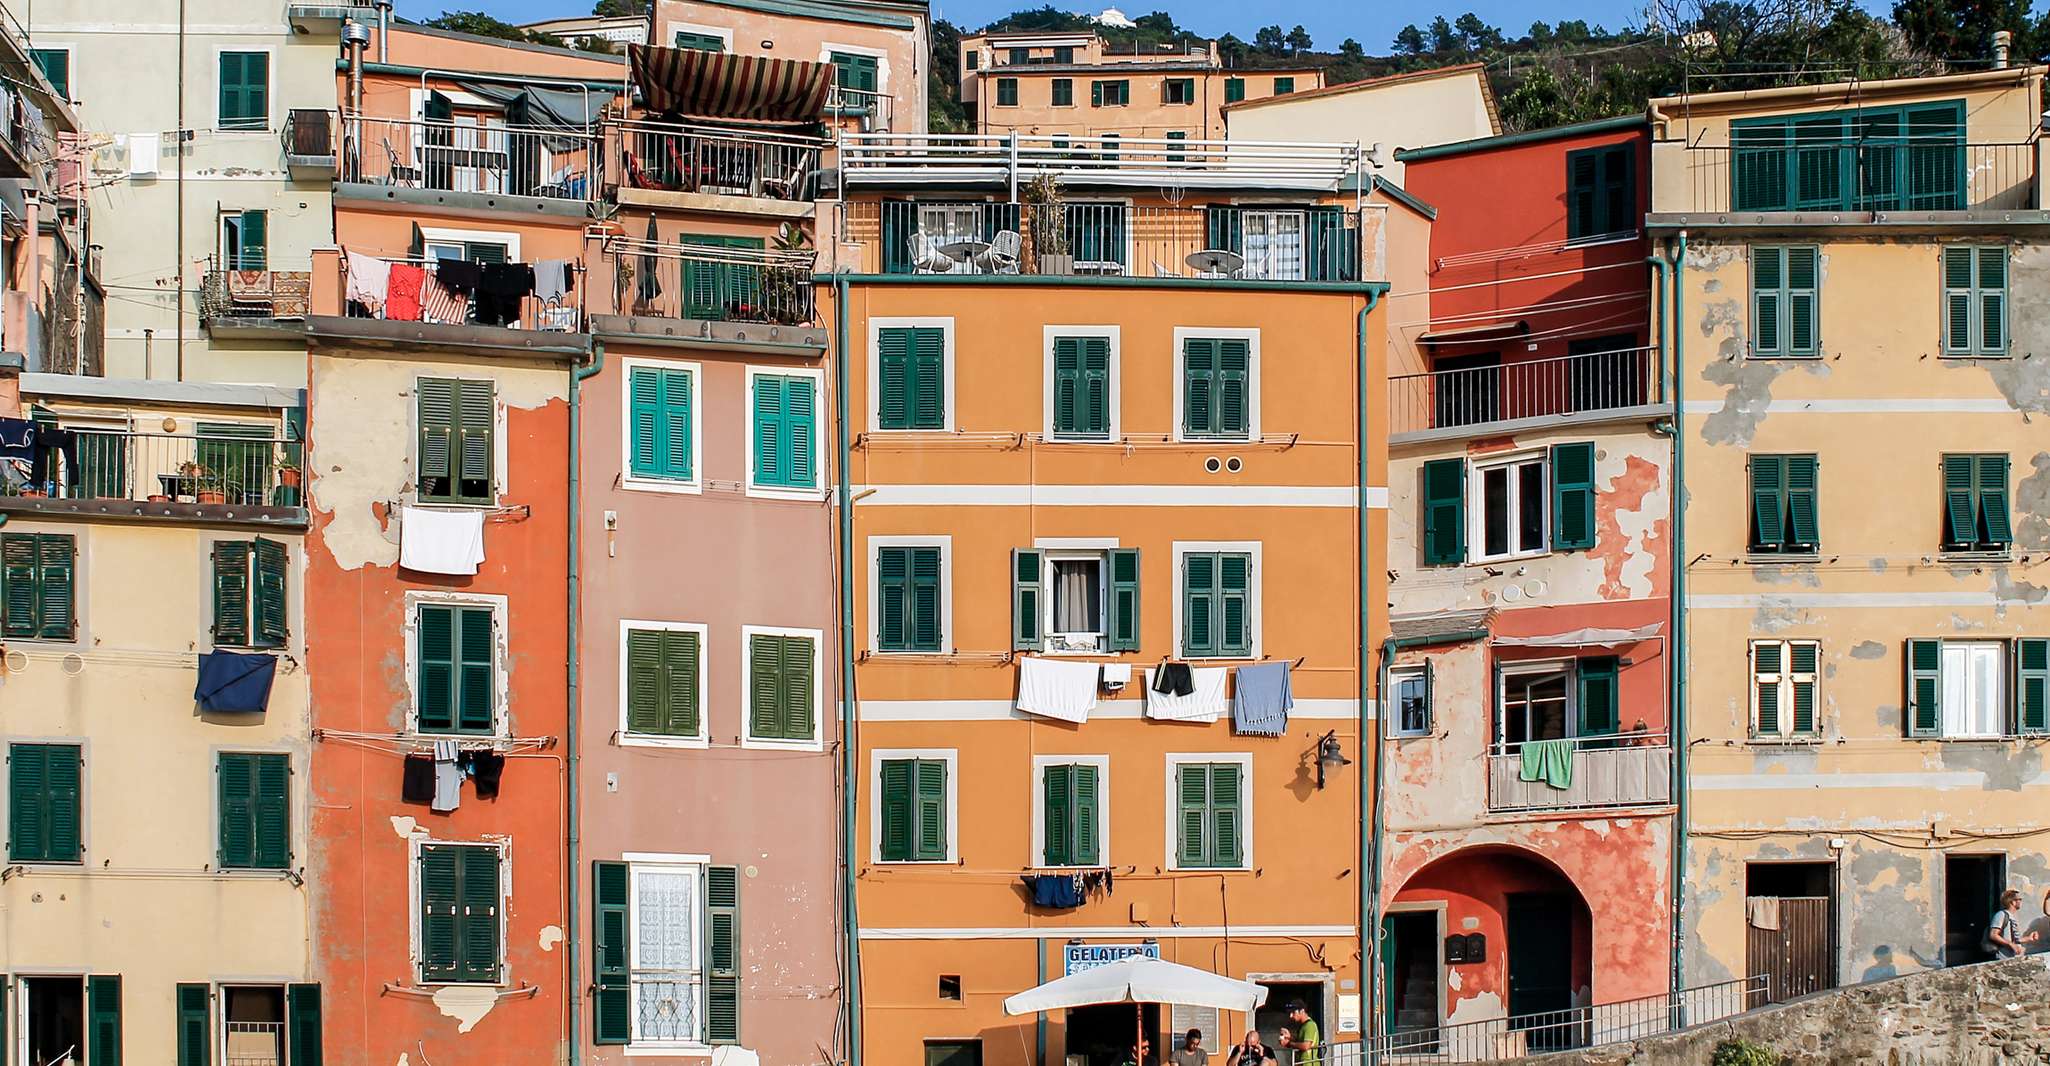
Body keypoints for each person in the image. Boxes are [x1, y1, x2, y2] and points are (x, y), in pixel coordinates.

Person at [1988, 888, 2040, 958]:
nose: (2021, 902)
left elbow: (2013, 940)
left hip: (2013, 958)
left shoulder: (2012, 916)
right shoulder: (2001, 915)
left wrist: (2028, 938)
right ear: (2013, 902)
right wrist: (2010, 944)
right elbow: (1993, 935)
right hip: (2002, 958)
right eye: (2020, 899)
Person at [1278, 1002, 1321, 1066]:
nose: (1291, 1016)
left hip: (1309, 1063)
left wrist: (1289, 1043)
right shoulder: (1303, 1025)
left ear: (1302, 1011)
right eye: (1289, 1013)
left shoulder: (1310, 1025)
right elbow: (1300, 1041)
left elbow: (1306, 1046)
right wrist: (1289, 1037)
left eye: (1293, 1012)